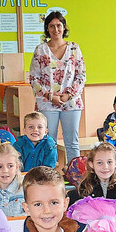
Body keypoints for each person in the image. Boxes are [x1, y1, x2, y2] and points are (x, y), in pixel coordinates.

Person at [29, 11, 87, 160]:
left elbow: (81, 75)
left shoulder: (74, 49)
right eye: (52, 26)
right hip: (47, 103)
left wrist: (69, 94)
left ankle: (76, 177)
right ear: (47, 29)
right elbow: (34, 78)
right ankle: (49, 177)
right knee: (48, 142)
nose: (56, 30)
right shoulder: (40, 50)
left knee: (72, 143)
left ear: (64, 27)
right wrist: (49, 96)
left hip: (71, 102)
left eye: (59, 26)